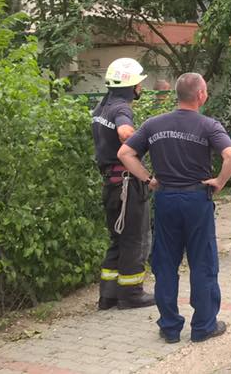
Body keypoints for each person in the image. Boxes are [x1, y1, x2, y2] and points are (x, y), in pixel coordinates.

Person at [117, 73, 231, 344]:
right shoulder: (209, 125)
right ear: (200, 95)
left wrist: (148, 179)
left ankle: (170, 328)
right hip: (197, 200)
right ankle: (204, 326)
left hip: (166, 199)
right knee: (202, 263)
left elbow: (125, 153)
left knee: (165, 264)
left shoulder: (153, 124)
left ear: (178, 95)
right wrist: (220, 181)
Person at [92, 58, 155, 310]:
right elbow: (125, 133)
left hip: (110, 183)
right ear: (130, 86)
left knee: (117, 239)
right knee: (133, 240)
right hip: (127, 185)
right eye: (139, 83)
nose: (141, 87)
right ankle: (131, 295)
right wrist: (147, 141)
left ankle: (108, 296)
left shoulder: (100, 109)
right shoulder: (121, 109)